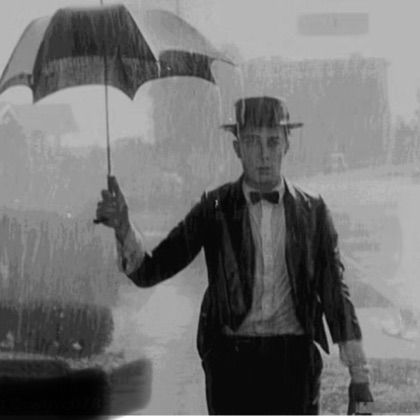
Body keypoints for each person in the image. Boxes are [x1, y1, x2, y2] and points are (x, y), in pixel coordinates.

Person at [96, 96, 373, 415]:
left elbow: (335, 292)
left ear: (287, 144)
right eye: (252, 141)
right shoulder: (215, 206)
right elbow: (152, 269)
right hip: (231, 367)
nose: (264, 154)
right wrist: (122, 226)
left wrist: (360, 376)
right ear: (237, 147)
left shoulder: (313, 211)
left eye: (273, 141)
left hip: (295, 366)